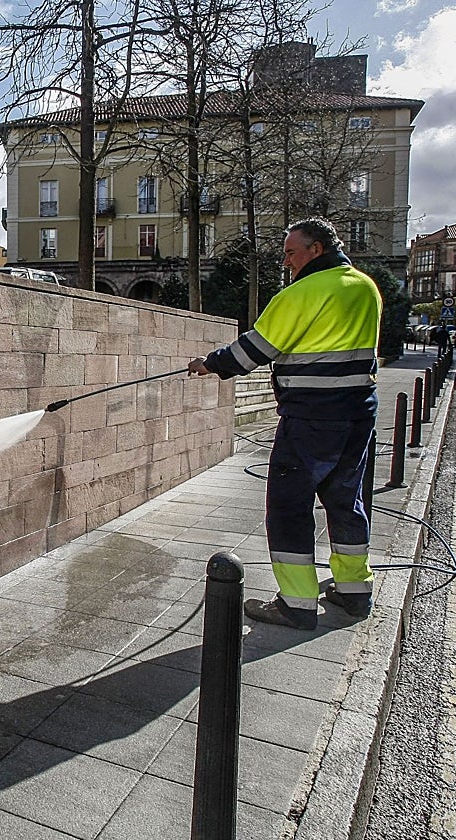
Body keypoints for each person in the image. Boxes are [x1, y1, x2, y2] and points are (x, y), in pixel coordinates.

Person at [188, 218, 381, 630]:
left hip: (310, 419)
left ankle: (296, 604)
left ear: (316, 249)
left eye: (292, 252)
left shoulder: (301, 293)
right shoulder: (366, 287)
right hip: (358, 415)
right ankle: (353, 590)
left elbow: (256, 348)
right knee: (347, 503)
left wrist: (209, 364)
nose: (287, 261)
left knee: (289, 508)